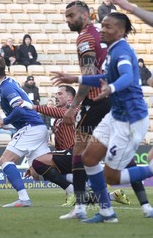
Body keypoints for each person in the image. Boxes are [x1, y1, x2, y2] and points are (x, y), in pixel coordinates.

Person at [51, 13, 153, 222]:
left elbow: (125, 76)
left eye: (108, 27)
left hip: (130, 121)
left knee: (111, 176)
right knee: (88, 158)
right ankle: (107, 212)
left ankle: (150, 171)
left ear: (121, 31)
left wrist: (112, 88)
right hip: (115, 116)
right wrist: (75, 78)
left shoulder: (123, 51)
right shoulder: (112, 50)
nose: (103, 30)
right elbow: (105, 77)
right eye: (102, 25)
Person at [25, 86, 130, 207]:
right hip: (69, 155)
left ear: (70, 98)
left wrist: (34, 107)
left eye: (60, 94)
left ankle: (71, 191)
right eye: (56, 94)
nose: (56, 97)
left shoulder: (75, 110)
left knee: (37, 163)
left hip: (77, 153)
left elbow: (62, 113)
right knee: (36, 171)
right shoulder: (58, 120)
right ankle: (112, 196)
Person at [55, 1, 111, 220]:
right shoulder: (98, 35)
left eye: (71, 15)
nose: (68, 20)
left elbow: (87, 77)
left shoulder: (85, 38)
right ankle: (143, 205)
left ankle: (80, 206)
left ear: (86, 15)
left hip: (95, 100)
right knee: (111, 152)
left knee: (79, 152)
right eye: (66, 16)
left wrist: (74, 106)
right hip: (110, 98)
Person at [0, 57, 51, 207]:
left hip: (30, 127)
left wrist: (1, 122)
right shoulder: (9, 82)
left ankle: (24, 198)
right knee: (37, 172)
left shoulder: (6, 88)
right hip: (38, 127)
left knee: (4, 160)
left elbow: (19, 110)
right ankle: (78, 185)